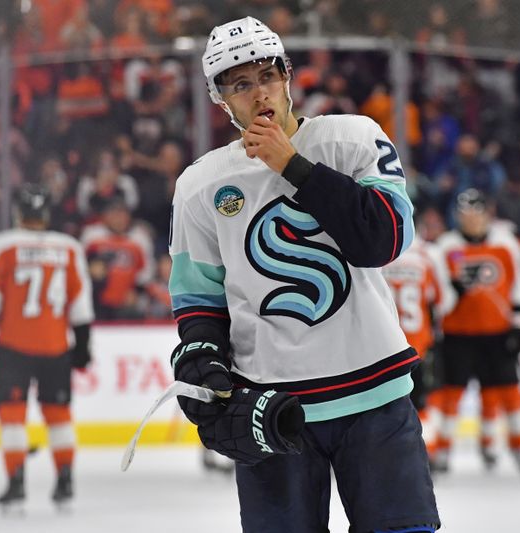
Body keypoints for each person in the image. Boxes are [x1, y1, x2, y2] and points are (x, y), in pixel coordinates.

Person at [168, 17, 439, 533]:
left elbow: (382, 241)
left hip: (374, 391)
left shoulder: (353, 137)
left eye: (267, 76)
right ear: (219, 98)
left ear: (288, 75)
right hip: (273, 407)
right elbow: (199, 300)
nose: (259, 94)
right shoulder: (201, 186)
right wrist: (200, 351)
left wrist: (293, 166)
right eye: (240, 85)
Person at [0, 184, 94, 510]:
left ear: (19, 213)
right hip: (56, 347)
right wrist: (83, 343)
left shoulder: (2, 245)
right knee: (59, 415)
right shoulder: (68, 248)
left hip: (14, 347)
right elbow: (79, 302)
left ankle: (16, 483)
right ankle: (65, 481)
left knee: (12, 416)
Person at [433, 188, 520, 475]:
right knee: (451, 394)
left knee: (507, 392)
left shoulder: (506, 245)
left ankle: (519, 447)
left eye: (476, 214)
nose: (471, 220)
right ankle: (442, 451)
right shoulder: (445, 246)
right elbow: (439, 294)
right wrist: (451, 292)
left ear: (486, 214)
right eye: (465, 214)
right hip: (457, 333)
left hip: (497, 332)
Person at [381, 221, 457, 462]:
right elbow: (444, 302)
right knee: (421, 403)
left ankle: (383, 457)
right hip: (418, 346)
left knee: (379, 404)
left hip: (382, 347)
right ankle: (427, 454)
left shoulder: (376, 255)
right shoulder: (427, 256)